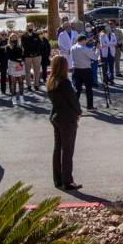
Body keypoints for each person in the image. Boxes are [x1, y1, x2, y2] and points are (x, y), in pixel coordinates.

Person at [46, 55, 82, 190]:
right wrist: (79, 112)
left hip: (56, 117)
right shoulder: (64, 82)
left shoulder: (51, 81)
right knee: (68, 150)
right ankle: (68, 180)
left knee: (58, 148)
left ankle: (58, 179)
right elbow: (73, 100)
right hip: (67, 119)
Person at [70, 34, 97, 110]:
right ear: (83, 40)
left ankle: (74, 106)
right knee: (89, 89)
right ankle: (90, 106)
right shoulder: (84, 48)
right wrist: (97, 49)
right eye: (85, 41)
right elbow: (94, 57)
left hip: (76, 69)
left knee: (77, 89)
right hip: (86, 70)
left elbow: (86, 54)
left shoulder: (73, 47)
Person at [5, 33, 26, 105]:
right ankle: (13, 97)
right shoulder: (8, 47)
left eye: (15, 37)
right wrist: (18, 60)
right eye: (12, 38)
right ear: (10, 39)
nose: (14, 39)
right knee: (13, 82)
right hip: (12, 64)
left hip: (20, 64)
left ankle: (21, 97)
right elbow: (10, 56)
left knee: (21, 81)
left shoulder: (20, 46)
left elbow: (23, 54)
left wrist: (21, 60)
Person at [21, 25, 43, 89]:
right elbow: (24, 45)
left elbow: (39, 44)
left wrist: (35, 52)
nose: (30, 28)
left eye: (31, 27)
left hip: (37, 56)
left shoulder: (36, 35)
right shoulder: (23, 36)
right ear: (27, 27)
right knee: (27, 71)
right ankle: (29, 85)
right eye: (29, 27)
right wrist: (30, 53)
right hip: (28, 56)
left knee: (37, 71)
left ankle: (36, 85)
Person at [0, 29, 10, 96]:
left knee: (10, 75)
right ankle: (3, 90)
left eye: (5, 34)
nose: (3, 36)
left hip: (9, 60)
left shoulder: (8, 40)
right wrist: (5, 47)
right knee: (3, 75)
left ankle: (11, 89)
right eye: (2, 34)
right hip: (2, 60)